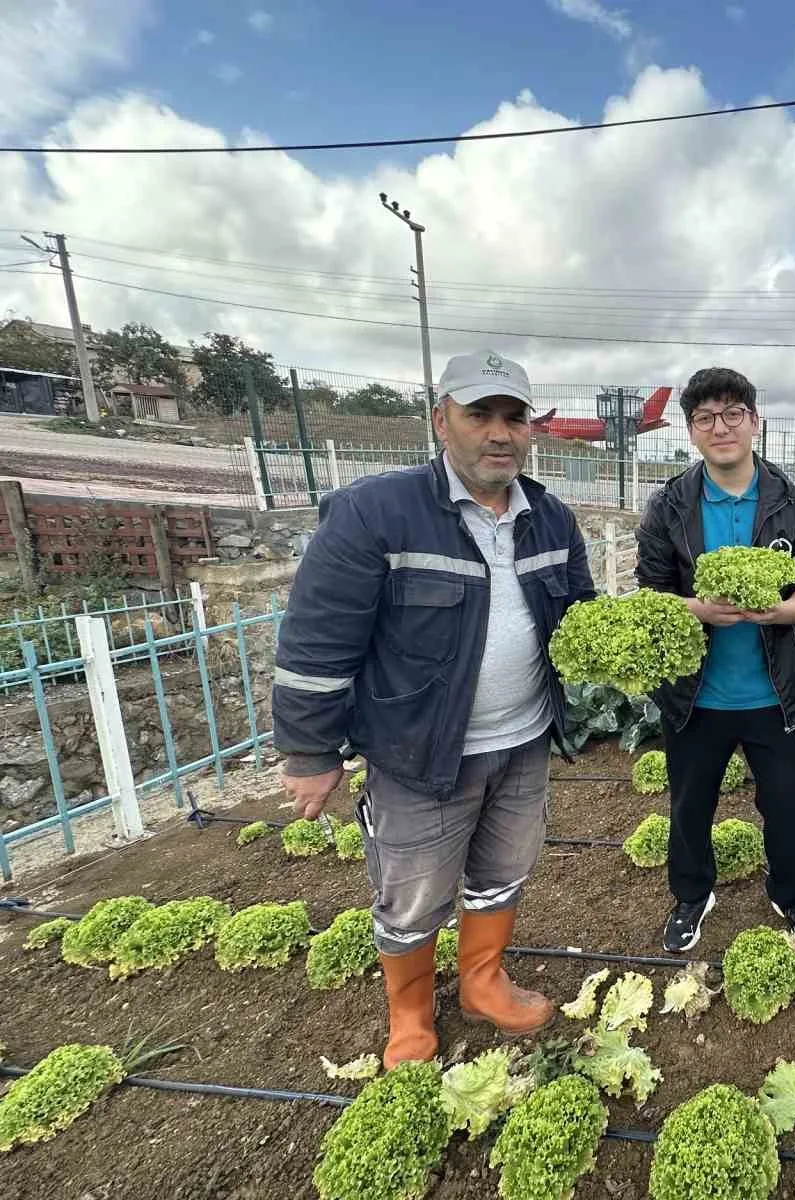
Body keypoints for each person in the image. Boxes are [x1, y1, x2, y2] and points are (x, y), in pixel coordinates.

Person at [273, 349, 596, 1069]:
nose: (499, 432)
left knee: (505, 869)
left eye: (514, 417)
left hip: (525, 740)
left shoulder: (551, 518)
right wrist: (309, 751)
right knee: (413, 895)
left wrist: (616, 658)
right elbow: (318, 637)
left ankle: (482, 983)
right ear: (440, 419)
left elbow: (580, 620)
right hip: (418, 752)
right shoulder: (375, 513)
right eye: (479, 413)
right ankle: (411, 1015)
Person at [634, 367, 795, 954]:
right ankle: (693, 895)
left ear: (754, 422)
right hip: (696, 694)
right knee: (690, 805)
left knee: (792, 805)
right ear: (691, 431)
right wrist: (697, 608)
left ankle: (790, 895)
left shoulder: (793, 502)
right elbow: (652, 592)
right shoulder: (670, 505)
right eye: (705, 418)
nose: (720, 427)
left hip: (776, 691)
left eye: (733, 414)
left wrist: (778, 611)